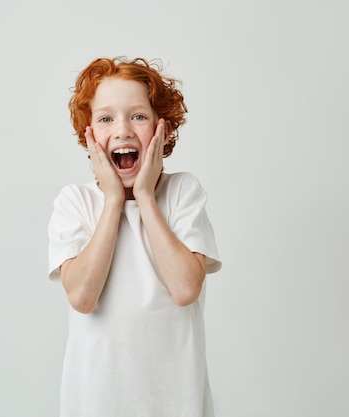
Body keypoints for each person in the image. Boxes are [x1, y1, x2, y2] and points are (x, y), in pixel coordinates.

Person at [47, 56, 222, 417]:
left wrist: (144, 195)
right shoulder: (75, 202)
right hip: (95, 405)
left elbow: (185, 288)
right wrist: (113, 200)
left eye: (138, 116)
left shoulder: (181, 193)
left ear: (163, 129)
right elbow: (82, 296)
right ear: (90, 134)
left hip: (176, 404)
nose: (123, 130)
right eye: (106, 118)